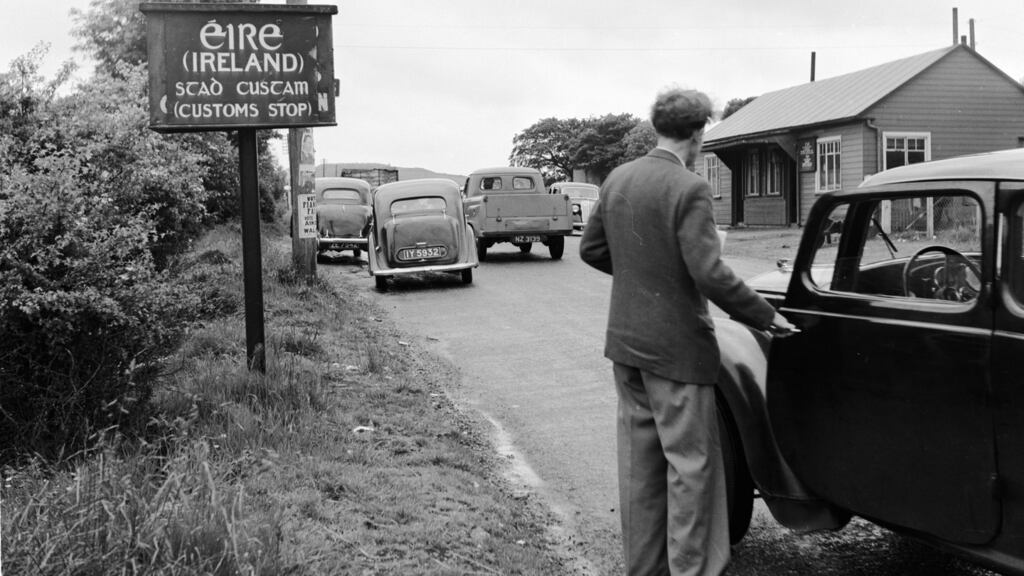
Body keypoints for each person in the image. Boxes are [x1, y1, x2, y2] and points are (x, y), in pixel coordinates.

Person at [579, 87, 796, 576]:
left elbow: (591, 251)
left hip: (627, 347)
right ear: (698, 134)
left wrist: (643, 272)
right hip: (677, 351)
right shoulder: (690, 188)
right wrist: (767, 316)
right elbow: (710, 273)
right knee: (691, 469)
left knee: (640, 469)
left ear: (659, 127)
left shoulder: (618, 178)